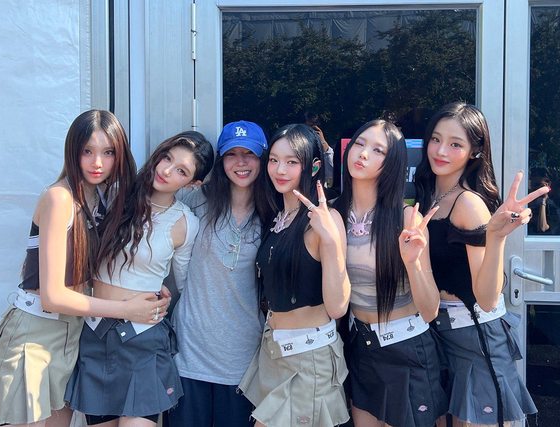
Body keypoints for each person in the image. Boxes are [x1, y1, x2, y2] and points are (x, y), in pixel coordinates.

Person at [0, 110, 169, 427]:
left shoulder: (100, 198)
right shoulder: (60, 198)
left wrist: (148, 289)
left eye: (108, 152)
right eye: (87, 151)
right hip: (36, 334)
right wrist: (126, 310)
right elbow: (53, 296)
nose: (97, 162)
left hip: (72, 336)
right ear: (72, 151)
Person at [64, 131, 214, 426]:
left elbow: (183, 283)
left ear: (193, 183)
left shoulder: (185, 222)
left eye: (181, 171)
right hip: (96, 333)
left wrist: (163, 294)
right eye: (167, 158)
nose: (166, 171)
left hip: (144, 339)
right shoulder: (114, 195)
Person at [414, 102, 547, 427]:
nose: (441, 150)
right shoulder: (427, 194)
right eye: (436, 139)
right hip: (438, 337)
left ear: (474, 151)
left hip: (475, 338)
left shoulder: (468, 204)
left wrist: (496, 238)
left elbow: (487, 299)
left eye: (455, 144)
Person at [335, 118, 448, 426]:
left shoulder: (407, 219)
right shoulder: (332, 215)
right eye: (359, 144)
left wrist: (412, 262)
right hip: (361, 347)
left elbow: (430, 310)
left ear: (393, 163)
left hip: (407, 349)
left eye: (378, 150)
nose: (363, 154)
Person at [238, 123, 351, 427]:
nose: (280, 170)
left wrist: (331, 242)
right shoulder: (277, 216)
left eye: (291, 162)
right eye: (274, 160)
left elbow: (338, 307)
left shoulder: (325, 219)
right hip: (273, 352)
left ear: (313, 166)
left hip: (308, 357)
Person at [169, 120, 272, 427]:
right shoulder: (196, 199)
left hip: (243, 357)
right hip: (190, 352)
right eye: (232, 154)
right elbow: (151, 212)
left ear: (263, 158)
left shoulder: (273, 211)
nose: (241, 162)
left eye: (249, 154)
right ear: (220, 160)